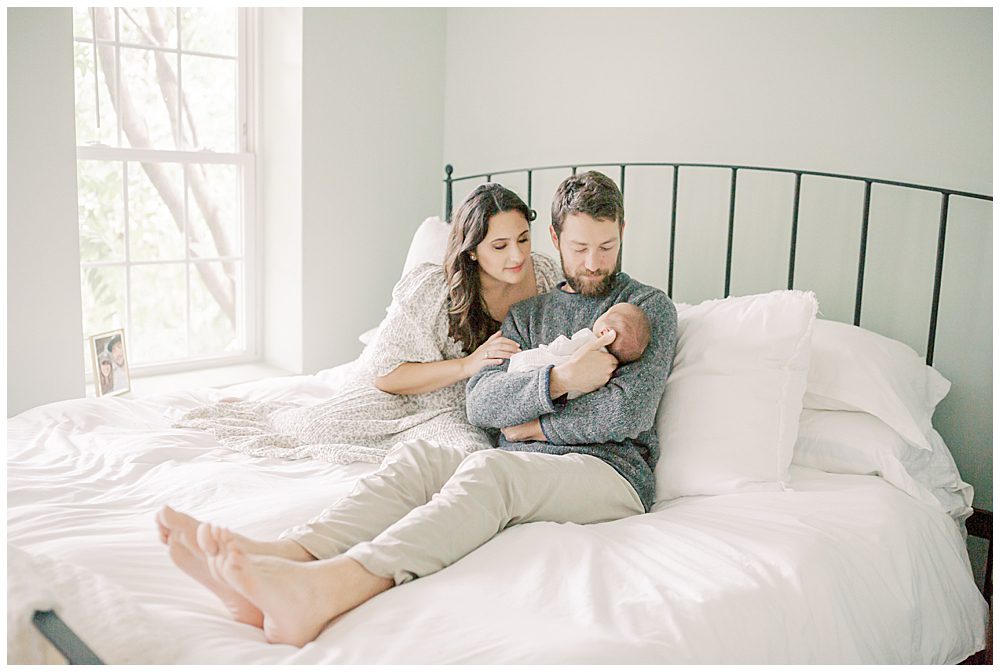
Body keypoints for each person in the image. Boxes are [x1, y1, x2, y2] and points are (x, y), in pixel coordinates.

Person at [156, 170, 678, 647]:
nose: (593, 262)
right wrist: (560, 380)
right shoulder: (529, 312)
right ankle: (285, 556)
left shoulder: (648, 307)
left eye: (607, 246)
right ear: (557, 239)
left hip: (609, 473)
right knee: (422, 459)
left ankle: (328, 588)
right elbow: (482, 402)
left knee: (492, 472)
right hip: (526, 457)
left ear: (623, 232)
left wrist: (535, 425)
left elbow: (626, 415)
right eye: (581, 246)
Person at [172, 183, 563, 464]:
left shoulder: (544, 276)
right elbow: (386, 376)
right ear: (472, 251)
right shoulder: (434, 289)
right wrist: (468, 364)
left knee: (468, 459)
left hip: (473, 410)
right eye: (500, 245)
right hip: (405, 395)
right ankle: (267, 412)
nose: (517, 255)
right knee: (315, 431)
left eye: (524, 239)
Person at [507, 302, 651, 398]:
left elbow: (561, 347)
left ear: (605, 332)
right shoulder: (608, 373)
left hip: (530, 367)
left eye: (605, 313)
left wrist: (554, 344)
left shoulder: (587, 339)